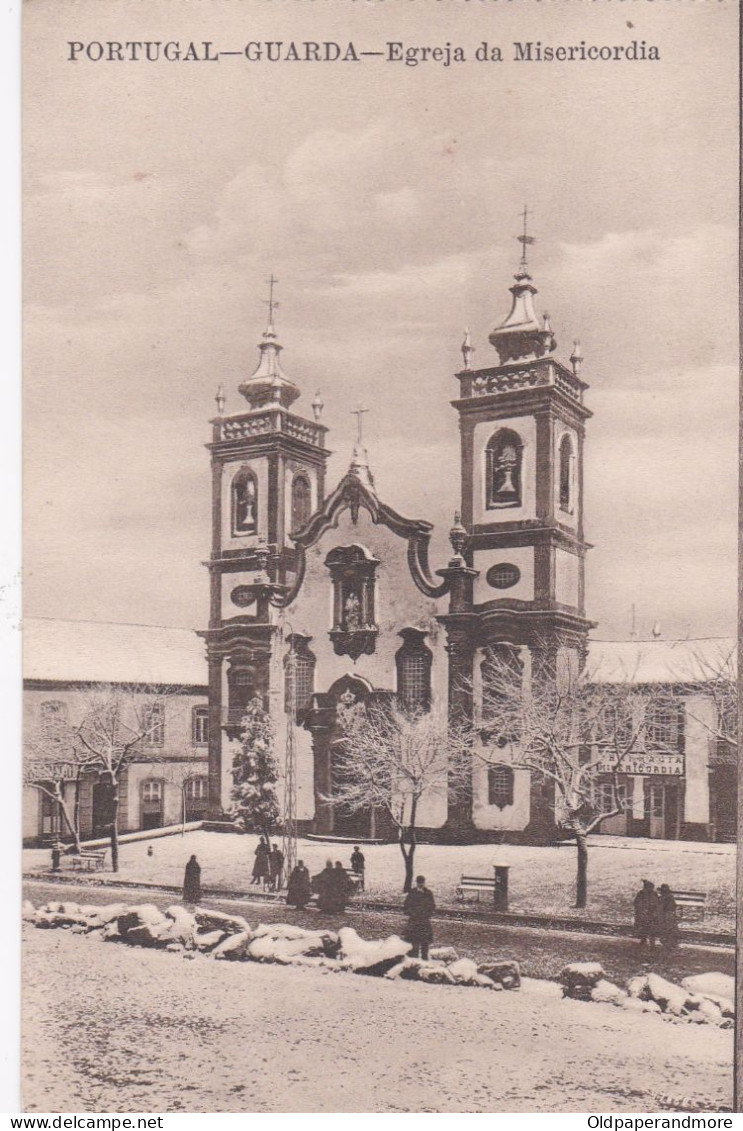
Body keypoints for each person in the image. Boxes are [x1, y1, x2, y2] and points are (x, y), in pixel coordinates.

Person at [403, 875, 436, 960]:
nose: (421, 885)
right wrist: (412, 914)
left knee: (425, 944)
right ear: (416, 883)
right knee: (414, 944)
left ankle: (425, 960)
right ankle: (414, 961)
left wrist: (427, 914)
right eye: (419, 883)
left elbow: (432, 906)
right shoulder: (412, 893)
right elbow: (406, 907)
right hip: (414, 922)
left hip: (424, 922)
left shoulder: (428, 893)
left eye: (422, 883)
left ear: (424, 883)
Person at [633, 878, 661, 946]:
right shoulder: (645, 894)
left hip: (648, 914)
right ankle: (646, 940)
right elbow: (636, 903)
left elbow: (657, 904)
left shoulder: (647, 893)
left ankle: (647, 940)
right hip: (646, 914)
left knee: (647, 928)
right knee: (648, 928)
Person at [658, 883, 680, 950]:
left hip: (666, 915)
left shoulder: (665, 897)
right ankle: (671, 942)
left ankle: (669, 942)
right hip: (669, 915)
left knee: (667, 928)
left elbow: (662, 907)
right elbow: (673, 906)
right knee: (670, 928)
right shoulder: (669, 897)